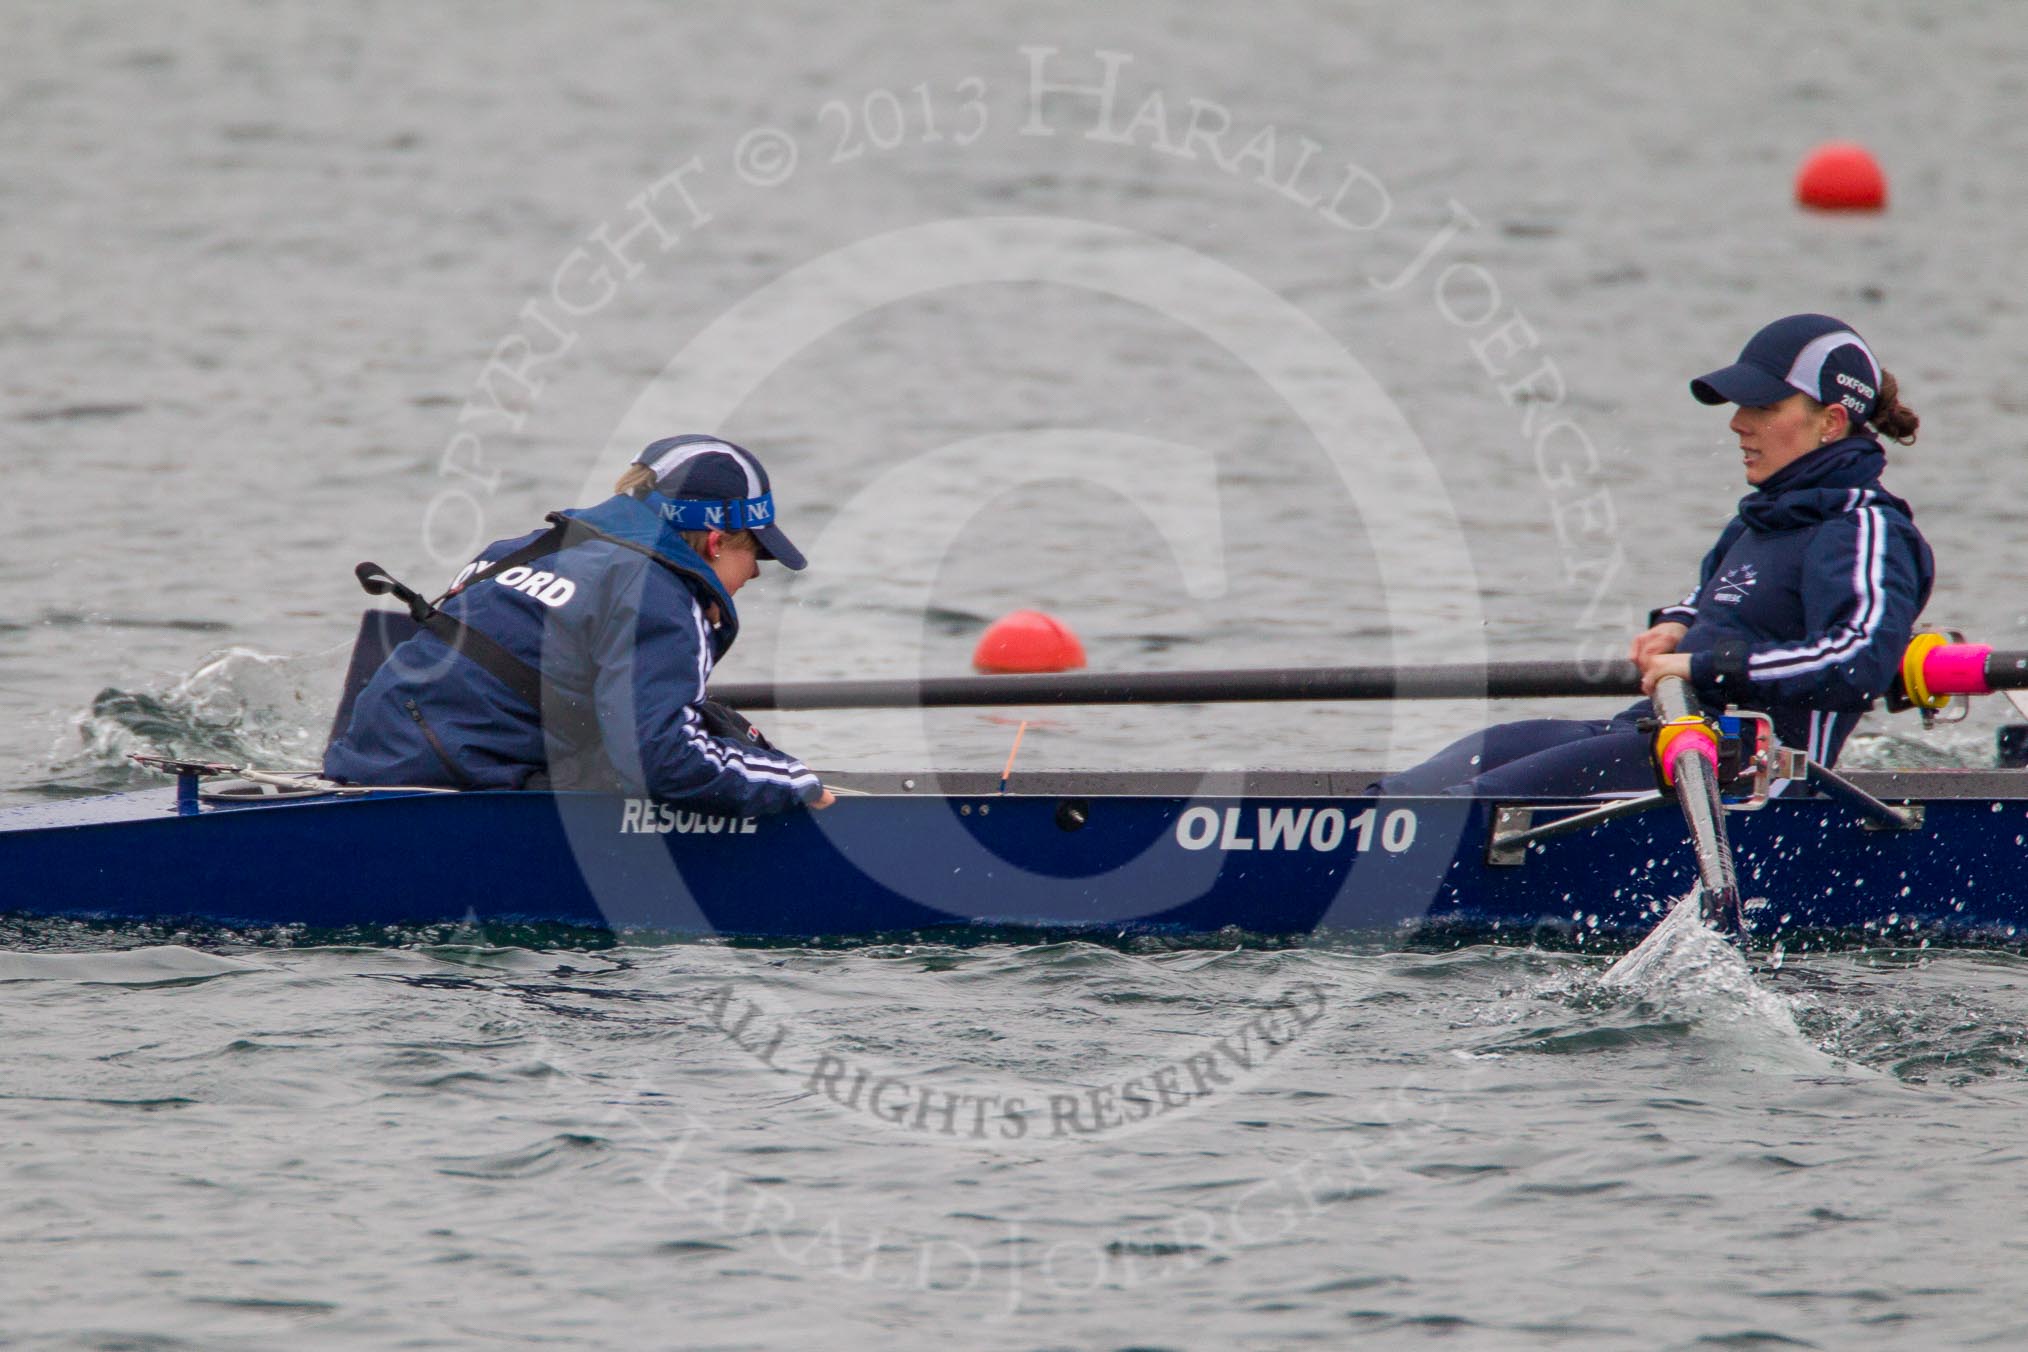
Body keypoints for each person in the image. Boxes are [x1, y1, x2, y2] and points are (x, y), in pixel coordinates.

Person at [1373, 313, 1935, 796]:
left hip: (1755, 784)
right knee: (1425, 782)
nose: (1739, 423)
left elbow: (1857, 662)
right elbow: (1720, 601)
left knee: (1467, 807)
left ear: (1831, 421)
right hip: (1664, 735)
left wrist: (1699, 664)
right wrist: (1677, 624)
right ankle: (1371, 825)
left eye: (1763, 406)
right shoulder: (1759, 520)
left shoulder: (1866, 532)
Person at [325, 434, 834, 813]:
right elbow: (663, 761)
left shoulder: (519, 550)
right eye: (758, 555)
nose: (753, 575)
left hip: (363, 760)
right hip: (458, 789)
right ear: (718, 541)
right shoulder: (660, 597)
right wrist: (789, 779)